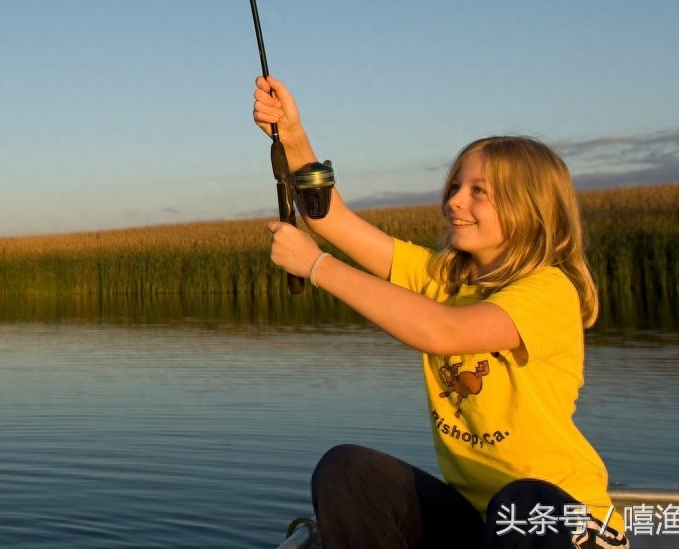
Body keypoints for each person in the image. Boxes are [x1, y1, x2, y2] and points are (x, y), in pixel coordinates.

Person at [252, 75, 628, 549]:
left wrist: (316, 266)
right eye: (455, 185)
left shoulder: (549, 290)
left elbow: (442, 331)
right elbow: (328, 217)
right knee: (347, 470)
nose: (453, 201)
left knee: (524, 502)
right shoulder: (442, 277)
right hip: (476, 522)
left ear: (532, 210)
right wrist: (294, 135)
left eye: (478, 191)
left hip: (563, 526)